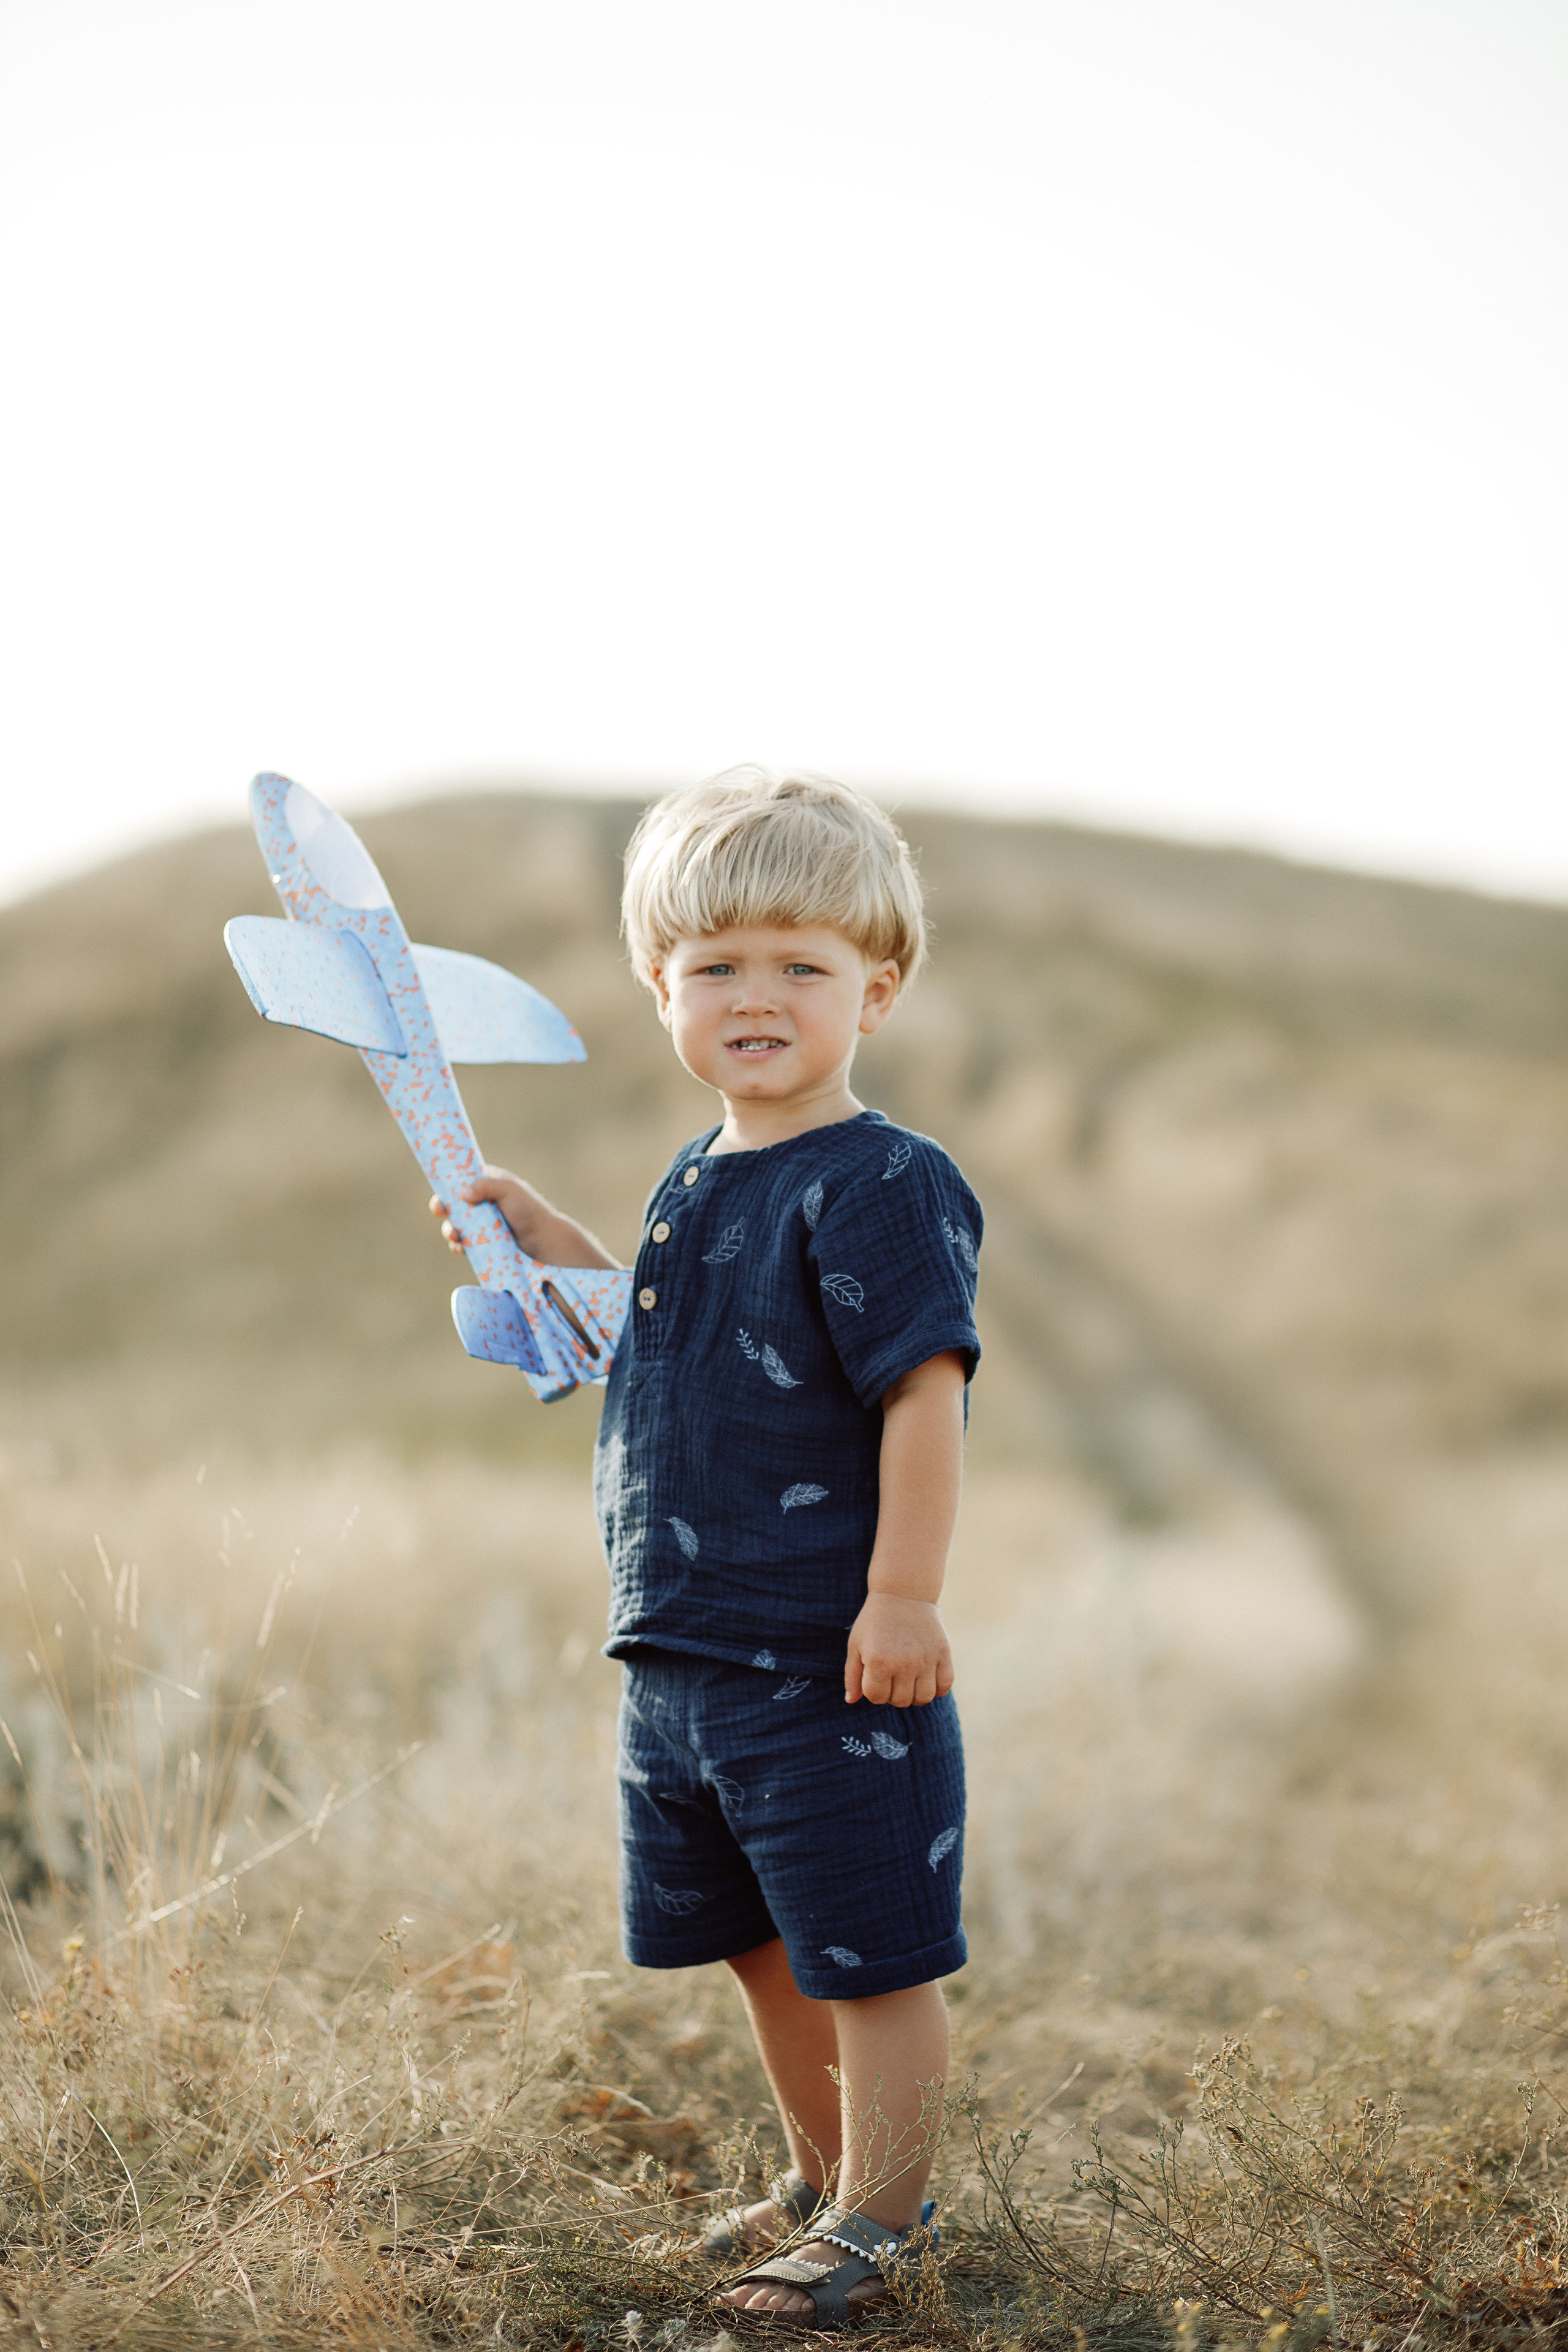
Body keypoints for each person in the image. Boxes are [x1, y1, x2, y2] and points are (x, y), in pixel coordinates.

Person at [431, 768, 982, 2326]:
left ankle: (881, 2226)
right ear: (659, 987)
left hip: (820, 1653)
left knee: (867, 1952)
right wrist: (554, 1248)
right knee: (759, 1942)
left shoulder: (882, 1180)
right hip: (676, 1649)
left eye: (801, 965)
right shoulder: (696, 1176)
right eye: (715, 965)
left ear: (876, 990)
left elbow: (923, 1392)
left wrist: (902, 1596)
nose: (755, 997)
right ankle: (819, 2182)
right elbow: (669, 1347)